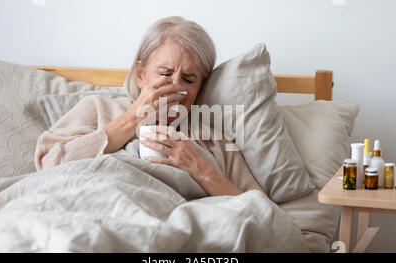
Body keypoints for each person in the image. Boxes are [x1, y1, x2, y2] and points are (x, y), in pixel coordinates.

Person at [35, 16, 262, 196]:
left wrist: (200, 168)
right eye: (165, 73)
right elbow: (49, 166)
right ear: (141, 75)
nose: (175, 85)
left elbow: (260, 212)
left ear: (200, 89)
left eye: (189, 79)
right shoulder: (97, 108)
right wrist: (133, 118)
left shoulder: (214, 141)